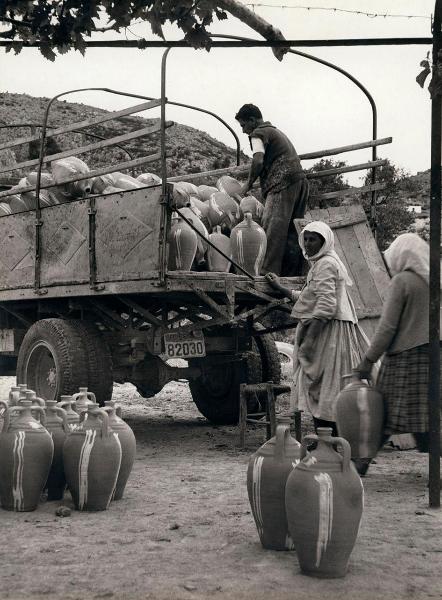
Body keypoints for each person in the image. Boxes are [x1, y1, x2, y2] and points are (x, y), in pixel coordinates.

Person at [266, 220, 370, 437]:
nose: (308, 243)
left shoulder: (326, 264)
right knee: (326, 387)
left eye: (313, 239)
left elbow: (326, 306)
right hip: (328, 328)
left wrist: (309, 341)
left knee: (325, 385)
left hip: (329, 332)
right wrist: (281, 288)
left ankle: (329, 443)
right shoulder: (322, 264)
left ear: (325, 242)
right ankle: (330, 442)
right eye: (306, 239)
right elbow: (309, 298)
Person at [356, 233, 441, 453]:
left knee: (384, 414)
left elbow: (387, 327)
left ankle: (360, 463)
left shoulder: (402, 281)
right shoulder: (434, 280)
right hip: (433, 355)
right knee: (425, 417)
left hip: (405, 358)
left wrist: (368, 359)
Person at [235, 103, 309, 277]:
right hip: (300, 182)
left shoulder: (258, 133)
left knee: (272, 230)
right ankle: (290, 275)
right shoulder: (275, 132)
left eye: (244, 125)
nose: (244, 131)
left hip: (281, 183)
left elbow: (258, 160)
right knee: (293, 233)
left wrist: (248, 183)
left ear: (252, 121)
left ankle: (266, 274)